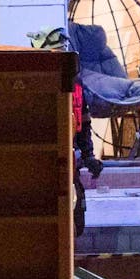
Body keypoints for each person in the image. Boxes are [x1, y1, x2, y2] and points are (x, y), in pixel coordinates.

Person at [30, 27, 103, 234]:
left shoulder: (75, 84)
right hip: (43, 164)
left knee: (76, 220)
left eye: (63, 52)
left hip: (71, 163)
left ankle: (71, 262)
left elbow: (84, 123)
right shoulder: (34, 87)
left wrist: (88, 156)